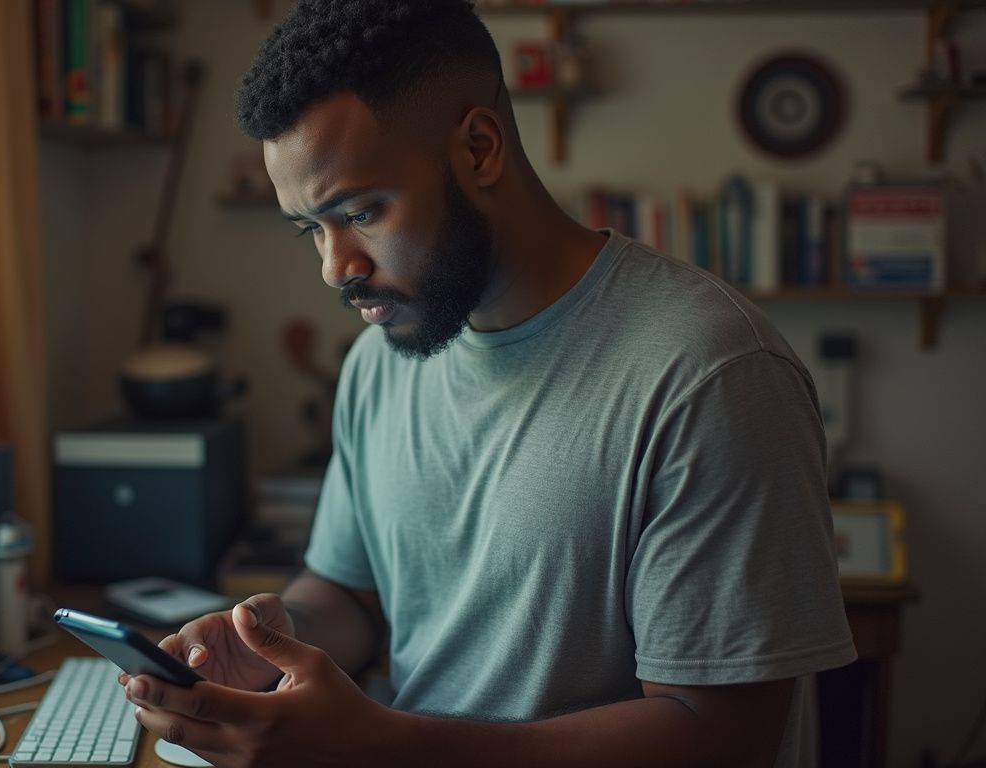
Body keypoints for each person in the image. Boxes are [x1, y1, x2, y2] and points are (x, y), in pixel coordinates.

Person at [119, 1, 855, 765]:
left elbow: (722, 738)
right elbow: (353, 594)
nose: (335, 267)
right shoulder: (380, 359)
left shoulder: (711, 374)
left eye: (362, 211)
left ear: (478, 148)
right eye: (312, 228)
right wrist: (266, 641)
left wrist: (380, 746)